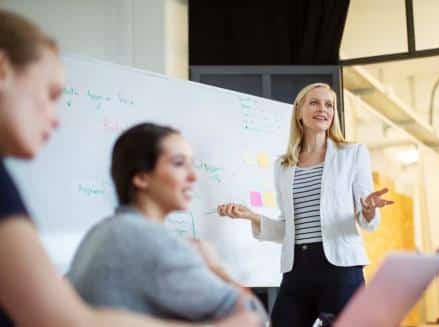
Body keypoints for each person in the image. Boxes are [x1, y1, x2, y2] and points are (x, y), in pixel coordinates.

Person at [0, 9, 260, 327]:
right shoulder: (148, 239)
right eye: (51, 95)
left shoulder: (102, 233)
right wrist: (214, 267)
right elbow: (255, 318)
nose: (55, 118)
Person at [218, 83, 394, 326]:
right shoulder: (284, 166)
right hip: (297, 268)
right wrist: (254, 217)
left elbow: (368, 220)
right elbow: (288, 229)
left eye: (329, 104)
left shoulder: (352, 154)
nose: (323, 109)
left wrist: (368, 209)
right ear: (299, 112)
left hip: (340, 268)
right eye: (314, 102)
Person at [67, 123, 268, 324]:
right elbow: (255, 316)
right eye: (179, 163)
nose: (193, 176)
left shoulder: (97, 234)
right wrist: (215, 267)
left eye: (192, 164)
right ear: (141, 177)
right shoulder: (154, 241)